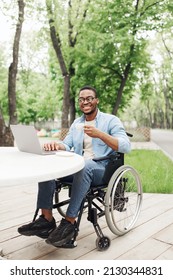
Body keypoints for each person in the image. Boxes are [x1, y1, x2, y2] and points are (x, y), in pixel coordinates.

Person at [18, 85, 131, 247]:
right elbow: (66, 144)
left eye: (89, 98)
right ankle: (46, 219)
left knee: (84, 166)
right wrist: (56, 146)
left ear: (96, 101)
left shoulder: (111, 120)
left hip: (102, 169)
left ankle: (69, 222)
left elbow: (126, 146)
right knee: (47, 164)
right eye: (82, 99)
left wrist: (100, 134)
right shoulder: (77, 123)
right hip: (78, 167)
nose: (85, 102)